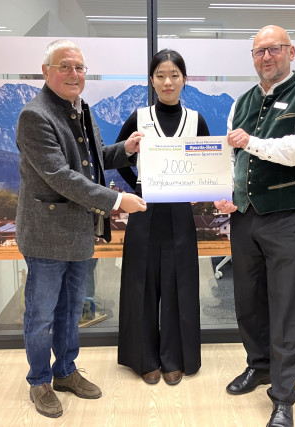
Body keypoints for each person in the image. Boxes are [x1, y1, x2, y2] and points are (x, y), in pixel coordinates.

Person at [15, 39, 147, 419]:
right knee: (41, 314)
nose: (74, 74)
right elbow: (61, 176)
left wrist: (127, 149)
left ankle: (65, 371)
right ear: (46, 72)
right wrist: (116, 200)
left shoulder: (80, 108)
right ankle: (39, 381)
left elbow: (92, 161)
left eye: (79, 68)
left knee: (72, 309)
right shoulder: (35, 116)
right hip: (45, 234)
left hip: (78, 230)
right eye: (65, 66)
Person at [215, 26, 295, 427]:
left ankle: (283, 396)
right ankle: (259, 364)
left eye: (274, 49)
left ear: (291, 52)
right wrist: (226, 192)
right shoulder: (242, 101)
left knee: (285, 308)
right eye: (259, 51)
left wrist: (252, 142)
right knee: (248, 301)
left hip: (286, 215)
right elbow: (232, 157)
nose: (266, 57)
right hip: (244, 215)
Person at [116, 49, 209, 386]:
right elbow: (118, 156)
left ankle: (175, 357)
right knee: (141, 281)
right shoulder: (139, 117)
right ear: (152, 80)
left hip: (180, 209)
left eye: (174, 75)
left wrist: (200, 187)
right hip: (145, 208)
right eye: (160, 75)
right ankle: (144, 358)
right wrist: (137, 187)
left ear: (184, 79)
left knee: (178, 281)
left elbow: (207, 162)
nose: (168, 81)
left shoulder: (196, 120)